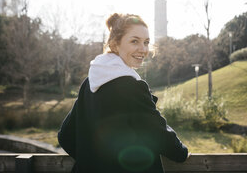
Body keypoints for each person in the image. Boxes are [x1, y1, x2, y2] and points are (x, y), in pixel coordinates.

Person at [58, 13, 188, 173]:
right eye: (134, 41)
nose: (143, 49)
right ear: (115, 44)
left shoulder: (90, 82)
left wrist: (92, 162)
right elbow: (159, 134)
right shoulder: (131, 87)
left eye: (146, 42)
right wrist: (182, 152)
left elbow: (65, 136)